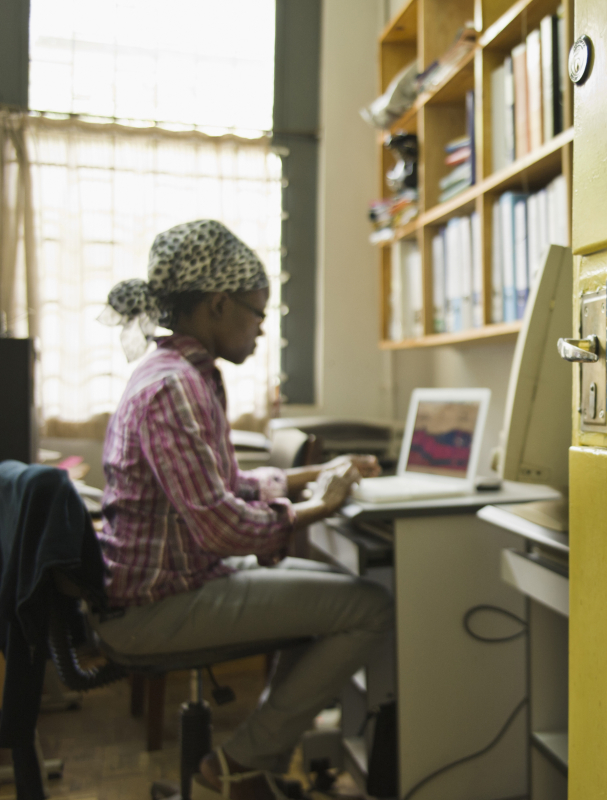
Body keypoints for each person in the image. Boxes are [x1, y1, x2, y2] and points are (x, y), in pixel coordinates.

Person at [95, 220, 392, 800]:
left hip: (175, 584)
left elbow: (223, 484)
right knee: (368, 606)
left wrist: (313, 476)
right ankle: (239, 765)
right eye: (258, 314)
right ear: (216, 305)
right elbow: (223, 526)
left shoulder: (182, 375)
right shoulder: (175, 386)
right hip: (157, 605)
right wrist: (319, 507)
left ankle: (247, 763)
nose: (262, 329)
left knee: (327, 588)